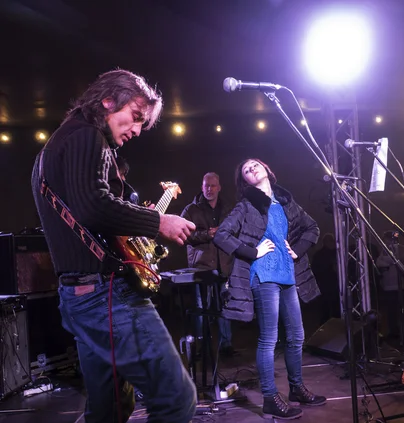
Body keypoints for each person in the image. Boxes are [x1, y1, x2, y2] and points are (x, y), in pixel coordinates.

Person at [31, 69, 197, 423]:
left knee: (109, 410)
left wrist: (137, 221)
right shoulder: (88, 135)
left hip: (80, 295)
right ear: (108, 101)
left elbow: (85, 210)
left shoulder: (55, 146)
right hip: (105, 294)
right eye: (136, 117)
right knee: (176, 399)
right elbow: (93, 206)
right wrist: (158, 222)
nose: (137, 130)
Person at [213, 158, 326, 419]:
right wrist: (252, 252)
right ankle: (270, 399)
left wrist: (296, 250)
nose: (252, 168)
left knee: (297, 336)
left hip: (287, 274)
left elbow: (313, 228)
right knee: (269, 339)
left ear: (266, 169)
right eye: (245, 170)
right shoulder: (246, 205)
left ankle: (296, 389)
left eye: (255, 164)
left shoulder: (285, 202)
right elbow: (221, 235)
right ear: (245, 181)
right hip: (263, 276)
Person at [180, 172, 235, 356]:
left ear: (219, 187)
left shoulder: (228, 208)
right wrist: (208, 234)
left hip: (223, 266)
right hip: (201, 268)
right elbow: (184, 235)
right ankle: (202, 346)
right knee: (201, 307)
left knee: (224, 306)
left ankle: (226, 346)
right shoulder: (191, 210)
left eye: (213, 186)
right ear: (202, 187)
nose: (209, 189)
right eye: (206, 186)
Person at [375, 230, 404, 338]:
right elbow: (378, 263)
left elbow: (395, 260)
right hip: (388, 285)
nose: (385, 242)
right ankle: (393, 331)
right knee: (391, 311)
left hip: (401, 285)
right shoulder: (384, 250)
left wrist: (387, 261)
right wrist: (386, 261)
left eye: (386, 239)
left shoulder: (401, 248)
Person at [311, 233, 339, 325]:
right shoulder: (336, 254)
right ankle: (333, 324)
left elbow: (314, 270)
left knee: (328, 308)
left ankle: (327, 325)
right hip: (329, 284)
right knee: (329, 307)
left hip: (327, 285)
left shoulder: (319, 255)